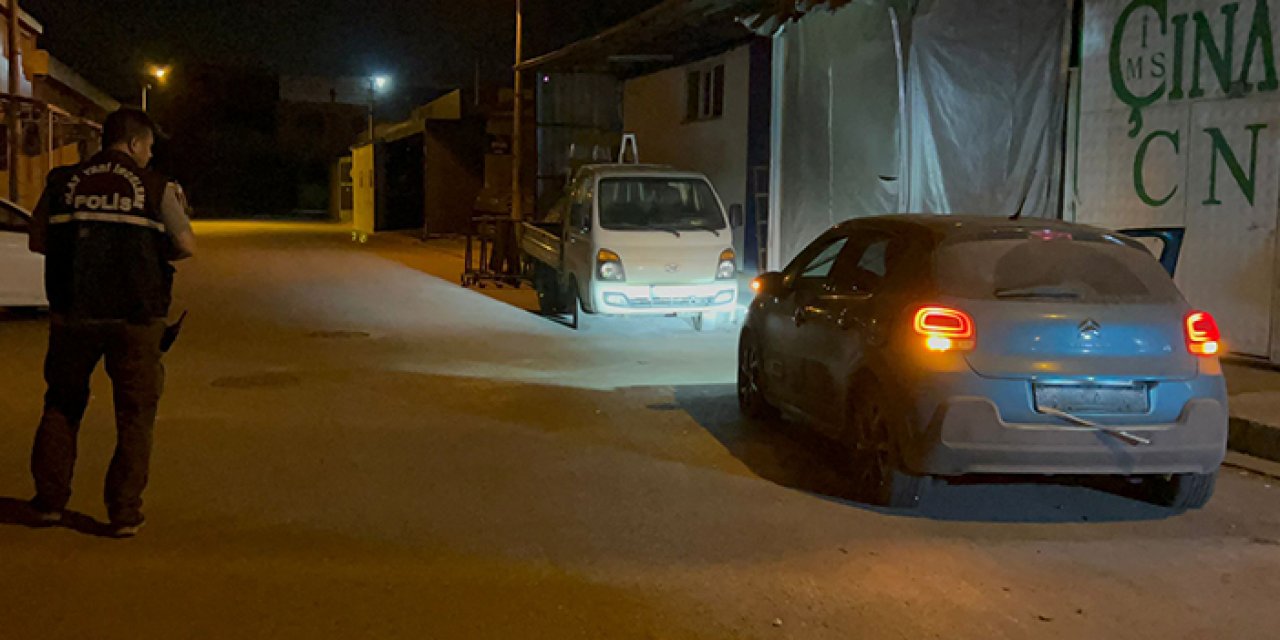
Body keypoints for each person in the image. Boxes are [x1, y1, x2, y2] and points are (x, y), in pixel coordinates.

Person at [25, 108, 196, 538]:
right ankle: (123, 512)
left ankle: (48, 503)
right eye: (150, 148)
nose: (149, 156)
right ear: (136, 143)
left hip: (73, 313)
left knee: (62, 404)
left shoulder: (62, 183)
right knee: (135, 415)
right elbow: (184, 246)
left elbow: (37, 239)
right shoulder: (156, 187)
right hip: (136, 318)